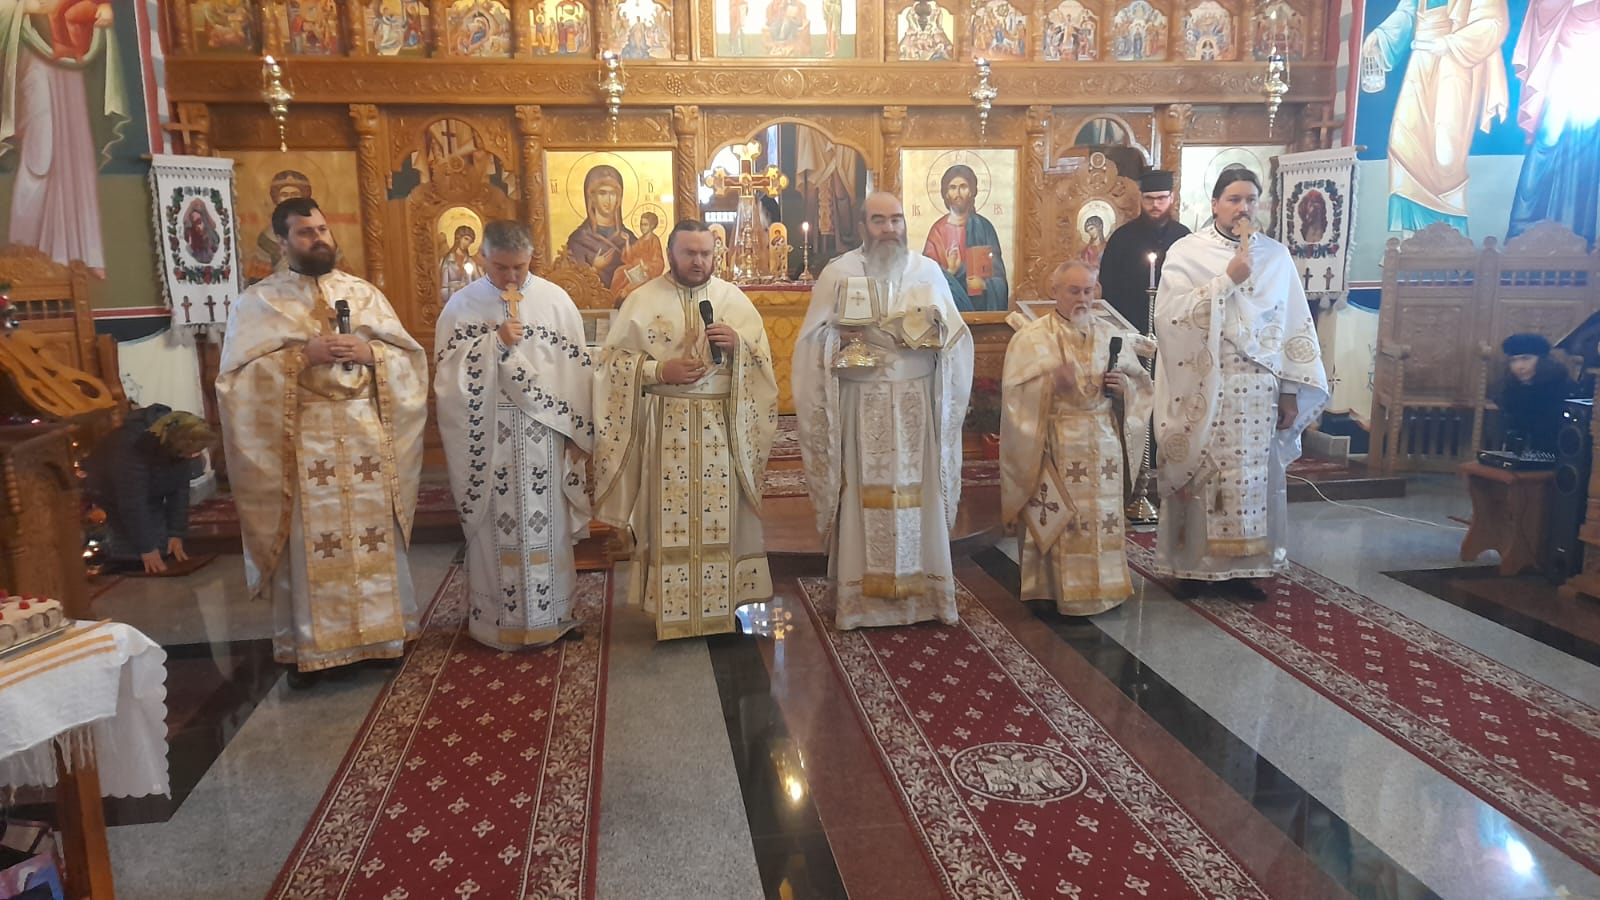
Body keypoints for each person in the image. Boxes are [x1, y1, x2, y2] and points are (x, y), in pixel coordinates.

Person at [216, 197, 429, 681]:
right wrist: (301, 357)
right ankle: (314, 650)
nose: (318, 239)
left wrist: (371, 353)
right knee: (312, 545)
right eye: (305, 232)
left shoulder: (363, 294)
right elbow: (234, 384)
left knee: (374, 537)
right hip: (302, 443)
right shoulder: (258, 303)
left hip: (365, 436)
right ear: (282, 241)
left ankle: (382, 640)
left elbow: (411, 360)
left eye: (322, 229)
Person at [793, 192, 975, 629]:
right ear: (862, 226)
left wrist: (935, 333)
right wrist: (840, 335)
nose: (889, 229)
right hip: (863, 402)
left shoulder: (927, 270)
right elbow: (809, 344)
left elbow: (958, 339)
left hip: (915, 404)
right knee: (860, 493)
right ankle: (860, 603)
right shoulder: (839, 272)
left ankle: (925, 597)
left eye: (896, 219)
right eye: (879, 220)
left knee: (919, 493)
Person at [592, 220, 779, 640]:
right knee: (669, 522)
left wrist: (740, 347)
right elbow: (610, 365)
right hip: (668, 428)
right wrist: (660, 370)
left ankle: (720, 609)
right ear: (671, 255)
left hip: (721, 429)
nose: (699, 261)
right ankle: (670, 610)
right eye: (690, 253)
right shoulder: (641, 300)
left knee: (721, 520)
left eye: (706, 254)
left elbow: (763, 366)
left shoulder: (733, 299)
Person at [1151, 169, 1328, 601]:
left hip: (1259, 393)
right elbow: (1169, 318)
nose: (1243, 208)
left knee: (1253, 477)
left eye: (1251, 199)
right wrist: (1227, 280)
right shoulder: (1187, 252)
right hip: (1204, 384)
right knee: (1203, 472)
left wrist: (1290, 392)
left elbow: (1293, 326)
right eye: (1233, 199)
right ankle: (1193, 568)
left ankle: (1247, 568)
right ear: (1215, 204)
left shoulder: (1276, 257)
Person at [435, 220, 594, 649]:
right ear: (483, 257)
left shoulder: (556, 301)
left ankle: (555, 614)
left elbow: (577, 370)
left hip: (546, 434)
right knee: (494, 529)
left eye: (519, 267)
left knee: (550, 528)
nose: (510, 277)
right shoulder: (462, 306)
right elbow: (447, 377)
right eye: (501, 267)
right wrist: (493, 344)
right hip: (488, 436)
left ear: (530, 258)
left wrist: (578, 432)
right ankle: (495, 622)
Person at [1001, 262, 1152, 615]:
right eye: (1074, 291)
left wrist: (1124, 389)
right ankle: (1053, 591)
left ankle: (1105, 589)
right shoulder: (1032, 338)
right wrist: (1049, 384)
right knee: (1061, 517)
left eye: (1088, 291)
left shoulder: (1111, 334)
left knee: (1102, 519)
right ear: (1054, 291)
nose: (1082, 299)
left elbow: (1142, 387)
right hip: (1056, 442)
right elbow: (1013, 397)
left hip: (1103, 443)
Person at [1360, 0, 1509, 233]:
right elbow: (1407, 12)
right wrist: (1380, 36)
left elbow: (1493, 22)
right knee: (1402, 142)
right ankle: (1410, 236)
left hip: (1456, 64)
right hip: (1421, 61)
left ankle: (1453, 236)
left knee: (1446, 155)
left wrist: (1450, 43)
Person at [1505, 0, 1600, 247]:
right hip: (1563, 81)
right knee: (1546, 141)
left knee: (1584, 159)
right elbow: (1543, 13)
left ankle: (1576, 234)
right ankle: (1522, 227)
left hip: (1591, 91)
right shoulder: (1556, 6)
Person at [83, 405, 214, 575]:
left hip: (149, 492)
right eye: (191, 453)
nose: (194, 457)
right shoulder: (128, 447)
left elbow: (180, 491)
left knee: (163, 547)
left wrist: (176, 533)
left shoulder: (179, 441)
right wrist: (146, 549)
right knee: (137, 555)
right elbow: (132, 502)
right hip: (109, 494)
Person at [1098, 170, 1190, 336]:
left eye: (1161, 198)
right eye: (1149, 198)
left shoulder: (1184, 238)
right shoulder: (1122, 238)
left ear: (1172, 198)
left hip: (1173, 326)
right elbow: (1109, 286)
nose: (1155, 205)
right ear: (1141, 198)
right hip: (1131, 326)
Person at [922, 164, 1009, 312]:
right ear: (945, 193)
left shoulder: (984, 227)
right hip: (946, 313)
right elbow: (926, 282)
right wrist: (951, 272)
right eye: (952, 187)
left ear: (972, 191)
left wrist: (984, 285)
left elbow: (1000, 281)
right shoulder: (937, 232)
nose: (958, 193)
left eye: (963, 186)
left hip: (980, 311)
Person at [1494, 333, 1575, 453]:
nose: (1519, 366)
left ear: (1543, 360)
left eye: (1526, 359)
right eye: (1513, 360)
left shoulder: (1561, 388)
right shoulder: (1510, 391)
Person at [565, 165, 637, 298]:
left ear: (619, 198)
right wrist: (595, 268)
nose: (608, 200)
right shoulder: (578, 240)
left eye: (613, 194)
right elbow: (571, 285)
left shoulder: (630, 239)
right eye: (602, 193)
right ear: (591, 197)